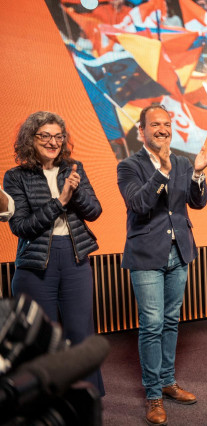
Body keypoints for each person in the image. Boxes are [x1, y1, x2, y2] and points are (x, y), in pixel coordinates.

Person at [116, 104, 207, 426]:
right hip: (146, 254)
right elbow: (139, 204)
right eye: (155, 124)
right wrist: (161, 169)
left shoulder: (184, 162)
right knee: (152, 323)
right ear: (142, 131)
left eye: (167, 124)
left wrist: (198, 173)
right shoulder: (128, 166)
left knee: (171, 320)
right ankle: (154, 393)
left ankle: (169, 382)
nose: (163, 129)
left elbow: (197, 203)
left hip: (179, 253)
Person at [2, 111, 104, 395]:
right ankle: (42, 402)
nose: (53, 142)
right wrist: (60, 201)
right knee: (40, 339)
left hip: (75, 260)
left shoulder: (74, 167)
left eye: (58, 136)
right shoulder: (16, 176)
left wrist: (76, 190)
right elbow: (21, 227)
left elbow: (94, 212)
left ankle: (86, 398)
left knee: (81, 335)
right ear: (30, 139)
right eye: (45, 135)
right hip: (35, 266)